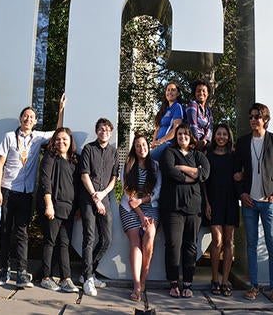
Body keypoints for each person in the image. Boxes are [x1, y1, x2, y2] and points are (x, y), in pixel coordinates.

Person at [234, 103, 273, 303]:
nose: (253, 119)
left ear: (265, 119)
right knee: (251, 245)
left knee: (272, 244)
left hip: (268, 202)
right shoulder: (242, 142)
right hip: (249, 202)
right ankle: (254, 286)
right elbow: (235, 172)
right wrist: (241, 194)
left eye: (257, 116)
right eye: (251, 116)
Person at [0, 106, 53, 288]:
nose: (28, 119)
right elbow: (0, 164)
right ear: (20, 118)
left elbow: (57, 132)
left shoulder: (38, 137)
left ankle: (21, 273)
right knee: (5, 231)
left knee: (22, 233)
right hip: (7, 191)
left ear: (35, 122)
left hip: (26, 193)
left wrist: (60, 109)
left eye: (32, 117)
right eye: (26, 116)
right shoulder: (9, 137)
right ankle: (4, 270)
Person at [159, 123, 210, 298]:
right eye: (179, 134)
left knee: (190, 246)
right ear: (176, 136)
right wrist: (190, 177)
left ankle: (188, 283)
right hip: (172, 208)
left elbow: (205, 174)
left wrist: (183, 168)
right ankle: (174, 283)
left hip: (193, 209)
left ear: (191, 137)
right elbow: (169, 171)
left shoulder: (198, 155)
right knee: (173, 244)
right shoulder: (169, 153)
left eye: (186, 134)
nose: (182, 137)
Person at [36, 127, 80, 293]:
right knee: (50, 241)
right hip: (52, 207)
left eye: (65, 139)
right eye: (58, 139)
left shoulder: (75, 160)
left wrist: (77, 209)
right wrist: (48, 204)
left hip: (68, 209)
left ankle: (65, 278)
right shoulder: (50, 157)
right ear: (53, 141)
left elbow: (77, 186)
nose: (61, 142)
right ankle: (46, 277)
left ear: (70, 141)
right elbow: (45, 180)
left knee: (64, 243)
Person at [79, 118, 119, 296]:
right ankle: (88, 279)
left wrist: (102, 196)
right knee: (89, 237)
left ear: (111, 133)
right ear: (96, 131)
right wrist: (96, 198)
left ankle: (88, 271)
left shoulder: (114, 152)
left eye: (107, 130)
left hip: (104, 198)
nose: (104, 132)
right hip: (88, 199)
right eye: (101, 129)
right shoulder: (88, 149)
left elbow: (114, 178)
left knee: (106, 239)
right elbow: (84, 175)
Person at [119, 133, 161, 302]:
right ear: (134, 149)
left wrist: (143, 202)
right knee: (135, 241)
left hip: (150, 206)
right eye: (138, 146)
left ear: (148, 147)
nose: (141, 148)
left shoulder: (156, 166)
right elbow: (129, 196)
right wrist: (141, 216)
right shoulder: (127, 167)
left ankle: (144, 279)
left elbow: (157, 192)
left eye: (144, 145)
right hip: (130, 209)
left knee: (150, 235)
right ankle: (137, 284)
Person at [202, 124, 239, 297]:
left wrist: (242, 175)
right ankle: (214, 279)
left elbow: (241, 173)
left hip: (230, 202)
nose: (221, 137)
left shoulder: (234, 156)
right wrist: (207, 204)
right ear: (214, 136)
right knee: (217, 240)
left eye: (225, 134)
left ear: (228, 136)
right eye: (218, 134)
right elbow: (203, 182)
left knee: (229, 241)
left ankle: (225, 281)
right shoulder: (207, 155)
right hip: (214, 202)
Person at [150, 82, 184, 161]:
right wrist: (154, 142)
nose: (170, 92)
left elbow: (176, 128)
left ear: (178, 93)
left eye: (173, 90)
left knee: (148, 158)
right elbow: (157, 128)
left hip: (168, 143)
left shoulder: (177, 107)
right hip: (158, 144)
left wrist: (161, 141)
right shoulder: (164, 109)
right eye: (168, 90)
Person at [185, 78, 213, 151]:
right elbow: (192, 125)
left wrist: (205, 140)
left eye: (204, 91)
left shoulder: (208, 111)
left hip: (203, 142)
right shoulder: (193, 105)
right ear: (195, 93)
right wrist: (197, 142)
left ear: (208, 94)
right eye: (198, 91)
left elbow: (209, 129)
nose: (201, 93)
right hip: (192, 140)